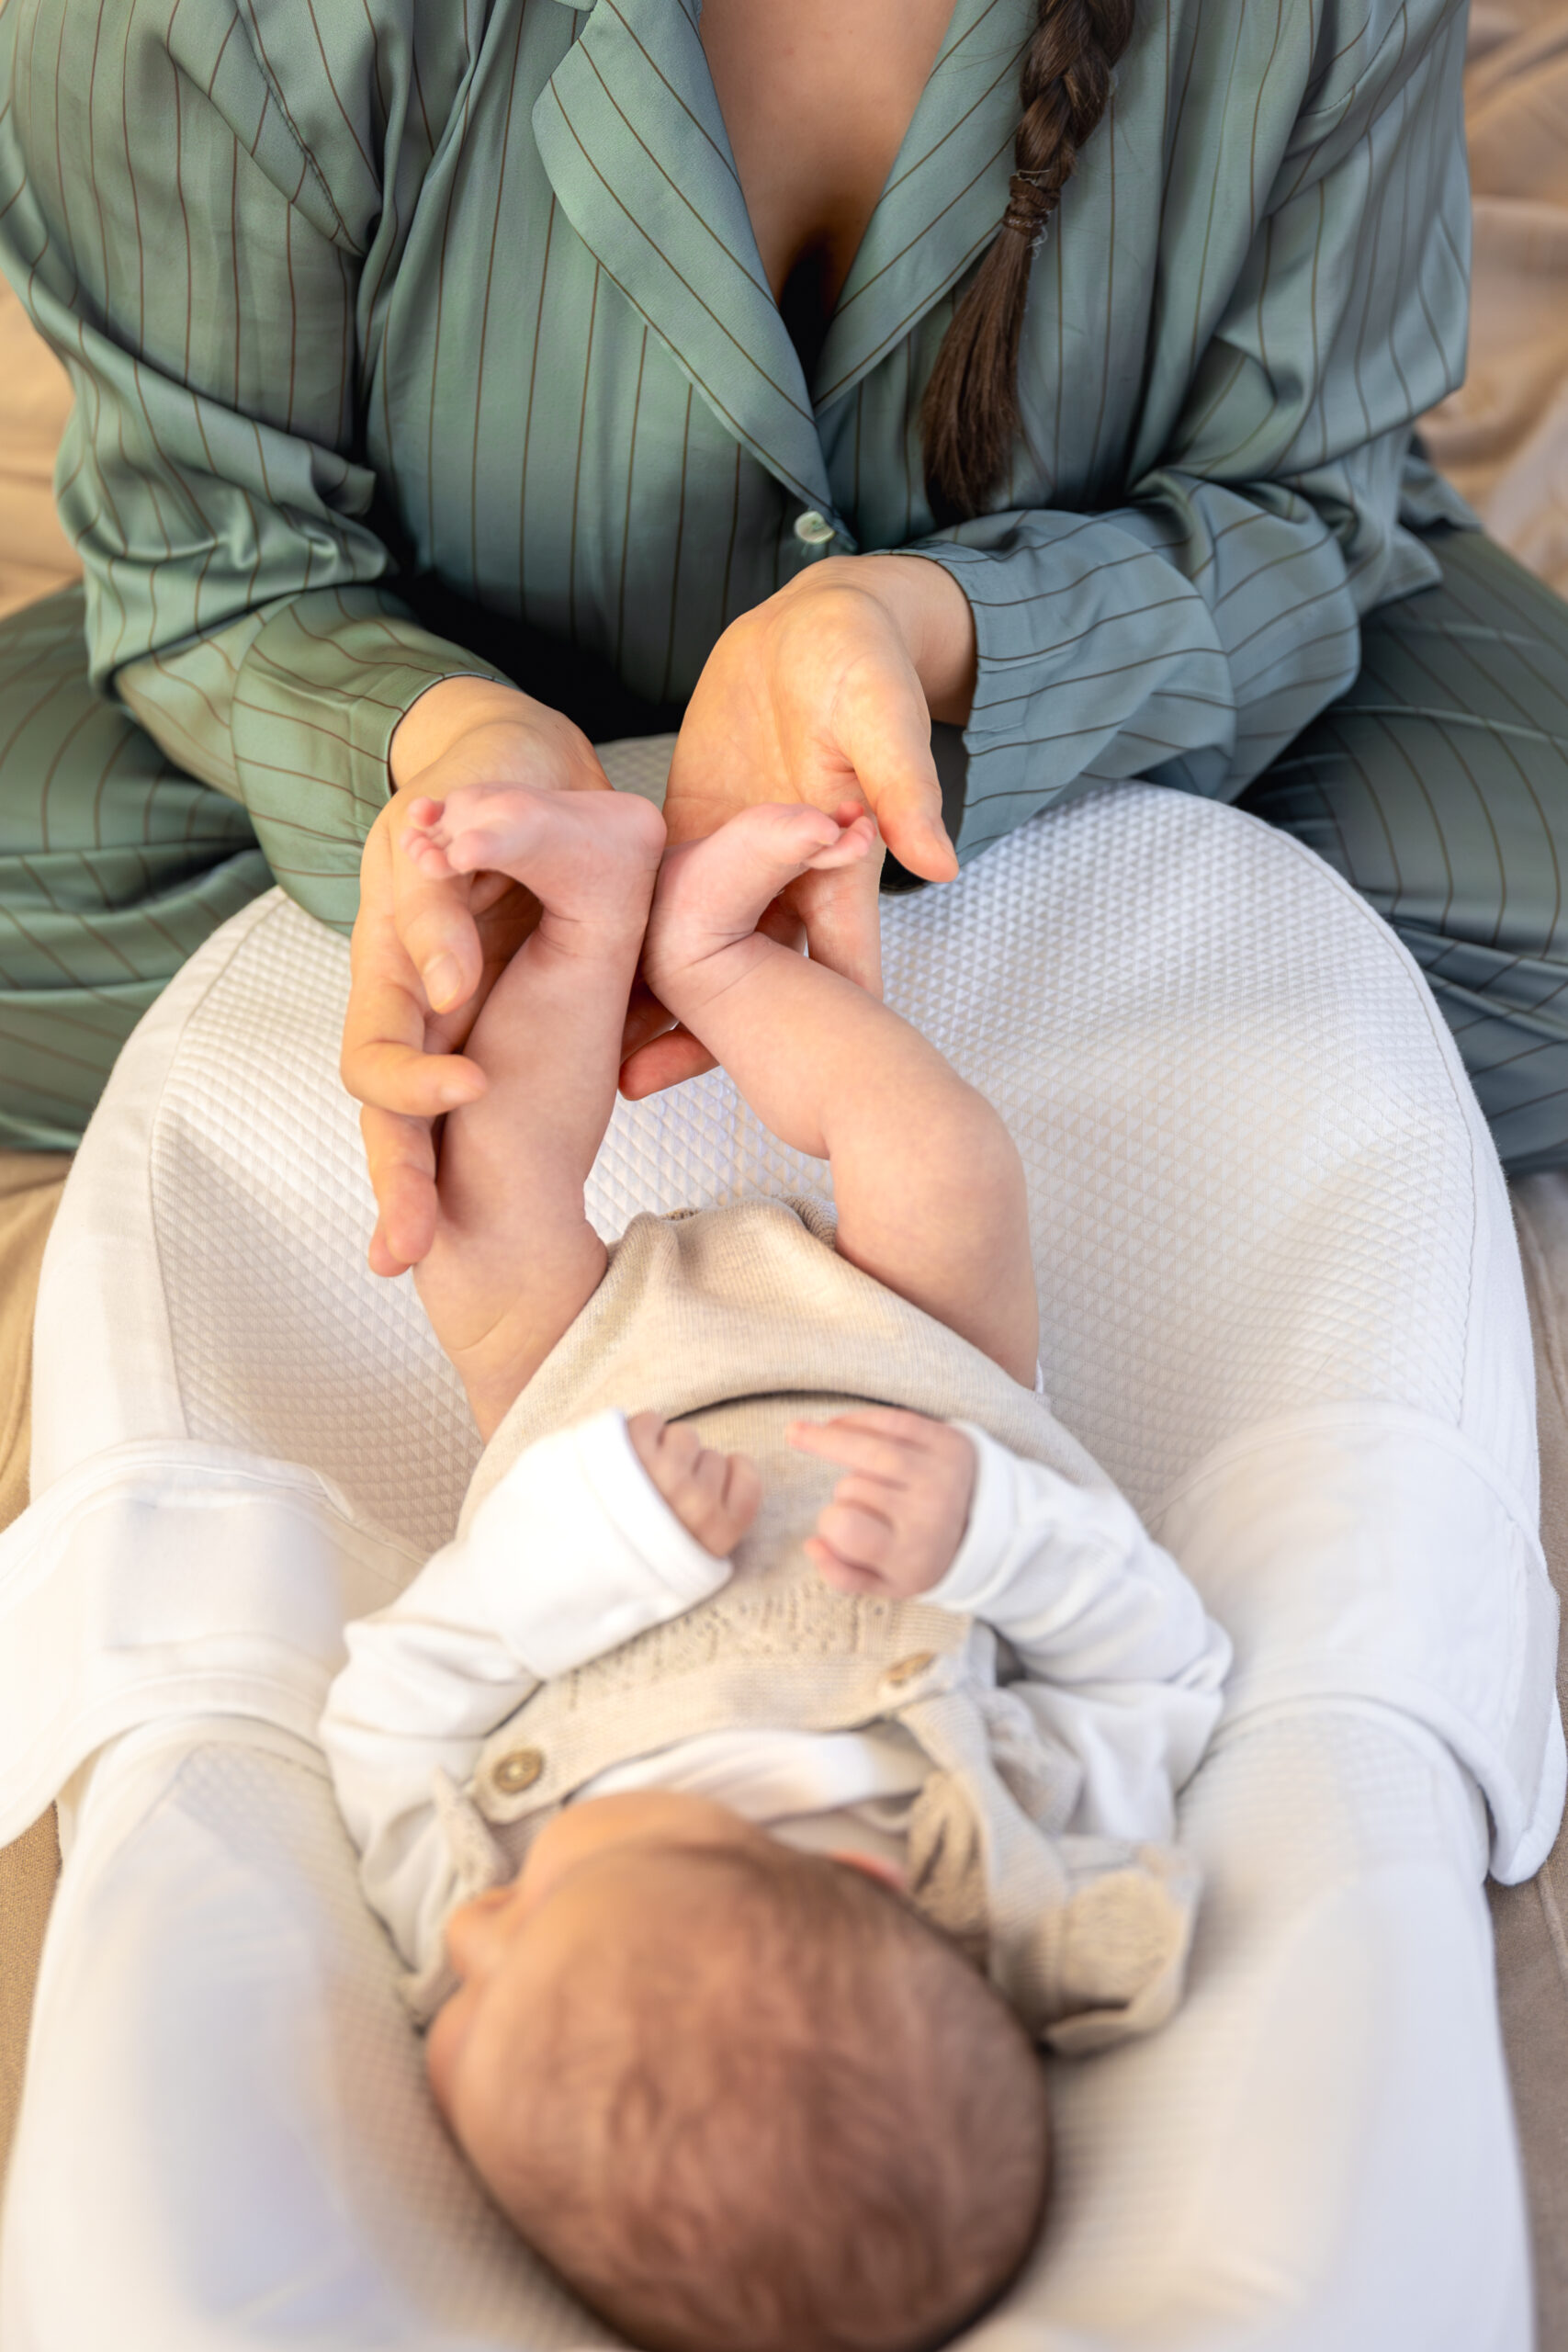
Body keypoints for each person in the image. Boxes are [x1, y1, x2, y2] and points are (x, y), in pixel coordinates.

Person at [2, 0, 1567, 1204]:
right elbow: (215, 547)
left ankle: (705, 993)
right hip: (406, 665)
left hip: (1103, 665)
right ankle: (857, 1009)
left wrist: (934, 634)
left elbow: (1295, 511)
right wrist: (449, 761)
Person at [320, 781, 1230, 2352]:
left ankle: (593, 915)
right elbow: (1163, 1667)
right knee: (942, 1161)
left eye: (460, 2010)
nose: (466, 1937)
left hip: (597, 1415)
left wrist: (579, 1554)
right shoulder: (1000, 1864)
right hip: (909, 1371)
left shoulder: (474, 1905)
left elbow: (393, 1711)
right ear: (866, 1881)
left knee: (479, 1210)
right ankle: (725, 957)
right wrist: (993, 1535)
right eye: (517, 1941)